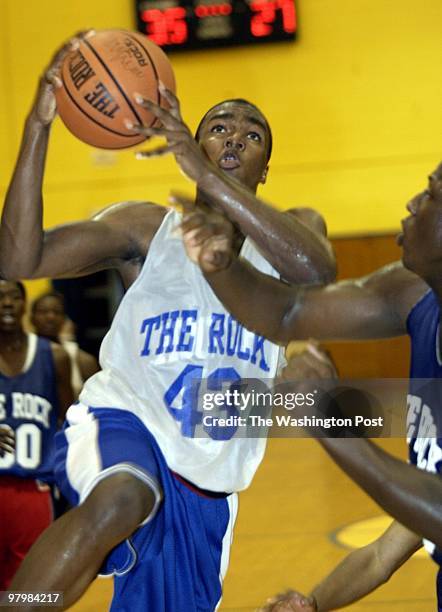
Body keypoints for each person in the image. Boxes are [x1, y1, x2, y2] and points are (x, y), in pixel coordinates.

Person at [0, 32, 335, 611]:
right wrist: (37, 128)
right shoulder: (144, 227)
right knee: (122, 497)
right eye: (220, 128)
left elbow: (316, 269)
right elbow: (18, 259)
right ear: (194, 146)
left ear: (266, 167)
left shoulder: (293, 230)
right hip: (127, 417)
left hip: (210, 477)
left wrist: (215, 186)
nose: (235, 137)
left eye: (252, 135)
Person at [178, 163, 442, 609]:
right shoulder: (416, 294)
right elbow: (288, 310)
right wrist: (221, 264)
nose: (413, 203)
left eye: (432, 194)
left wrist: (330, 422)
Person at [0, 280, 73, 590]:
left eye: (14, 297)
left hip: (35, 490)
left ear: (24, 304)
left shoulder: (54, 356)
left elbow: (71, 425)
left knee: (33, 590)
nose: (6, 304)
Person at [31, 291, 99, 397]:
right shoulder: (20, 355)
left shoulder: (83, 360)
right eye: (43, 312)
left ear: (64, 319)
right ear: (32, 318)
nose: (50, 317)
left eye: (57, 312)